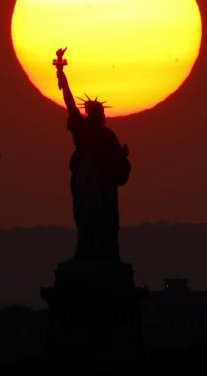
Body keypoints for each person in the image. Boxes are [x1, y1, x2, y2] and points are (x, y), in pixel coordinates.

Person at [55, 48, 130, 261]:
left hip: (98, 183)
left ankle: (100, 256)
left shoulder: (105, 134)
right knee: (89, 218)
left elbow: (119, 165)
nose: (103, 115)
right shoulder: (88, 130)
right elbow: (70, 103)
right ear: (94, 113)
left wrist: (122, 157)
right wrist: (61, 74)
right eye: (100, 112)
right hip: (89, 181)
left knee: (100, 219)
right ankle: (88, 255)